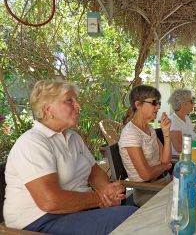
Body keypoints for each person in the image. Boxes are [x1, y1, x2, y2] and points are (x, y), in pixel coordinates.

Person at [4, 80, 137, 235]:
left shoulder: (73, 137)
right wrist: (100, 197)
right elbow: (50, 201)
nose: (78, 106)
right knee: (129, 217)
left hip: (74, 212)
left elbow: (94, 172)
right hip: (39, 221)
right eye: (69, 101)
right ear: (47, 109)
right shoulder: (32, 143)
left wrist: (108, 190)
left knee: (136, 211)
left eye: (76, 101)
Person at [118, 85, 172, 207]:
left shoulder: (149, 128)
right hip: (148, 190)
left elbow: (165, 159)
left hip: (164, 182)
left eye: (158, 102)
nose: (158, 106)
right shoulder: (131, 133)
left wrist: (166, 133)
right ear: (138, 105)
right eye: (154, 102)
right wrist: (165, 167)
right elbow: (145, 174)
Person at [168, 88, 196, 155]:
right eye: (191, 101)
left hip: (193, 155)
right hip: (181, 160)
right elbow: (179, 148)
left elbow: (195, 140)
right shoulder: (173, 121)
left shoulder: (187, 119)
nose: (194, 103)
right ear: (183, 103)